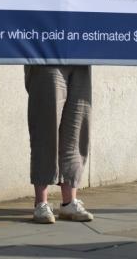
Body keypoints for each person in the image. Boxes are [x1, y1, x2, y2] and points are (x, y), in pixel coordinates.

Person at [25, 63, 94, 224]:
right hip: (47, 54)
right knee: (45, 127)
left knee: (76, 130)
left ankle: (69, 202)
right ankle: (41, 203)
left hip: (80, 56)